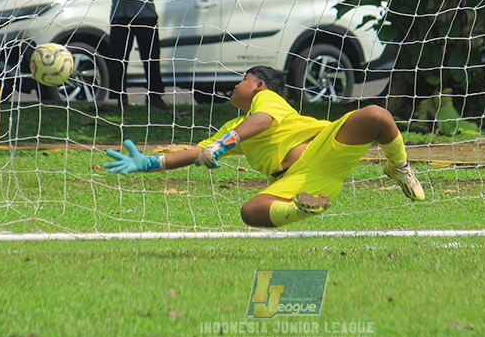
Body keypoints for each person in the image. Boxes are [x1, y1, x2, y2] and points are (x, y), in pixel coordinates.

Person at [102, 66, 425, 227]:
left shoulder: (268, 100)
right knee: (250, 211)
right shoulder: (233, 128)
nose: (235, 85)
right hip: (302, 180)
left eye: (242, 79)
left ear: (258, 84)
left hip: (326, 148)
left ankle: (397, 166)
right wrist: (149, 163)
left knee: (376, 115)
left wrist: (222, 145)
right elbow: (197, 152)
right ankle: (303, 207)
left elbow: (262, 122)